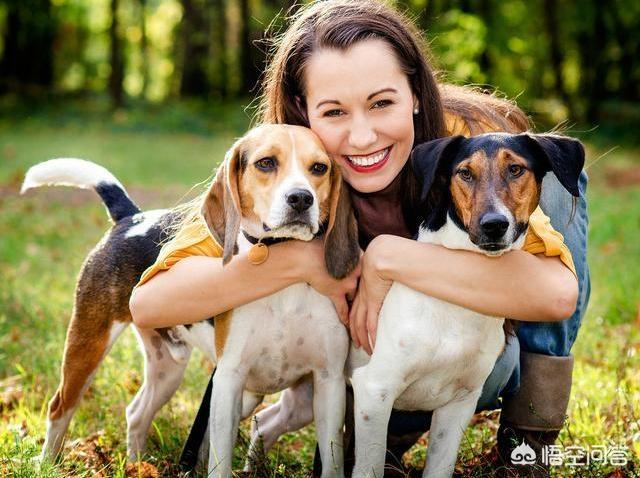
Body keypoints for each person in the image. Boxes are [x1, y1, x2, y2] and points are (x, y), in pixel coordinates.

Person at [129, 1, 589, 476]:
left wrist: (387, 258)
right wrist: (300, 262)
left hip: (467, 353)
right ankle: (388, 429)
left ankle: (530, 433)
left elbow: (555, 295)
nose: (364, 136)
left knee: (553, 191)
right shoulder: (283, 171)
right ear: (301, 113)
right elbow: (151, 305)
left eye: (382, 103)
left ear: (415, 94)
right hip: (378, 362)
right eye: (333, 111)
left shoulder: (468, 151)